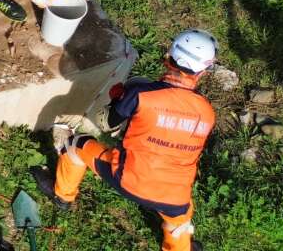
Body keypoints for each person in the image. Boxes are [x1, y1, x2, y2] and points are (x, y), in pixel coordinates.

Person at [33, 29, 218, 251]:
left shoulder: (142, 94)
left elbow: (107, 123)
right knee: (179, 222)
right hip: (175, 196)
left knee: (76, 144)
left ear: (170, 57)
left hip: (130, 179)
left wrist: (118, 99)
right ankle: (180, 245)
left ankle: (62, 196)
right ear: (203, 71)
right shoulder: (208, 112)